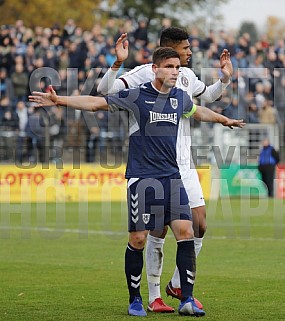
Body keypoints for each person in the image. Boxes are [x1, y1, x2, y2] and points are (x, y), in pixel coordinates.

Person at [29, 47, 244, 317]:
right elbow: (96, 103)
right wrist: (59, 100)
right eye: (169, 67)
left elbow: (198, 111)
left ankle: (186, 299)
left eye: (177, 67)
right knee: (139, 239)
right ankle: (135, 300)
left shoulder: (179, 98)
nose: (175, 72)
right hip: (143, 179)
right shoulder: (137, 96)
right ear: (155, 69)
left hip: (172, 177)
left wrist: (224, 120)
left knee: (186, 233)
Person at [97, 27, 234, 312]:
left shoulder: (185, 75)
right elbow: (104, 93)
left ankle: (177, 284)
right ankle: (154, 295)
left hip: (183, 161)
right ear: (169, 49)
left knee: (199, 224)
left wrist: (225, 79)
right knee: (155, 231)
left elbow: (207, 98)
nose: (190, 52)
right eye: (185, 47)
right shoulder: (144, 73)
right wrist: (117, 63)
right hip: (153, 162)